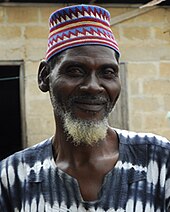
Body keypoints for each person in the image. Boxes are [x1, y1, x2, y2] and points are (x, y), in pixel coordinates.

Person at [0, 4, 170, 212]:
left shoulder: (158, 160)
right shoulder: (13, 177)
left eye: (107, 72)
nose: (93, 86)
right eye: (75, 70)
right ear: (44, 76)